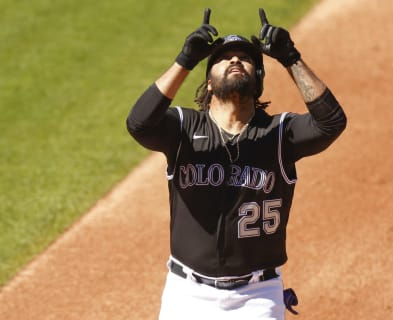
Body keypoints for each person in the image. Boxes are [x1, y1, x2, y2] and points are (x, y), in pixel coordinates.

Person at [126, 8, 347, 320]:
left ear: (257, 81)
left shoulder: (279, 134)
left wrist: (290, 58)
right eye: (223, 57)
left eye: (245, 58)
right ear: (210, 84)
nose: (234, 60)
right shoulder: (184, 128)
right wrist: (185, 60)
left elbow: (331, 123)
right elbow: (139, 124)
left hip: (256, 298)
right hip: (186, 295)